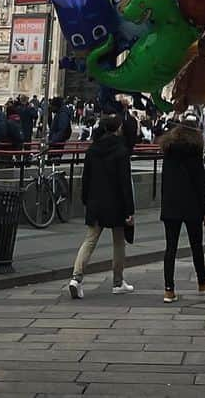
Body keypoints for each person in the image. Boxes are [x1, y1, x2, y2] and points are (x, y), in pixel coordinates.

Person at [68, 114, 135, 298]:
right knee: (119, 242)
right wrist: (129, 210)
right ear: (118, 129)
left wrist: (85, 200)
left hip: (96, 203)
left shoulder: (92, 149)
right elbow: (124, 183)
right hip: (116, 204)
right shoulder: (121, 151)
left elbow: (86, 178)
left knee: (89, 241)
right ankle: (118, 282)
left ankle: (76, 278)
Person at [159, 118, 205, 303]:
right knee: (196, 245)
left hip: (171, 205)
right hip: (191, 204)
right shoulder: (194, 151)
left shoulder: (168, 149)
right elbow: (200, 182)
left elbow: (165, 181)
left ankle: (169, 290)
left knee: (171, 248)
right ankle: (202, 281)